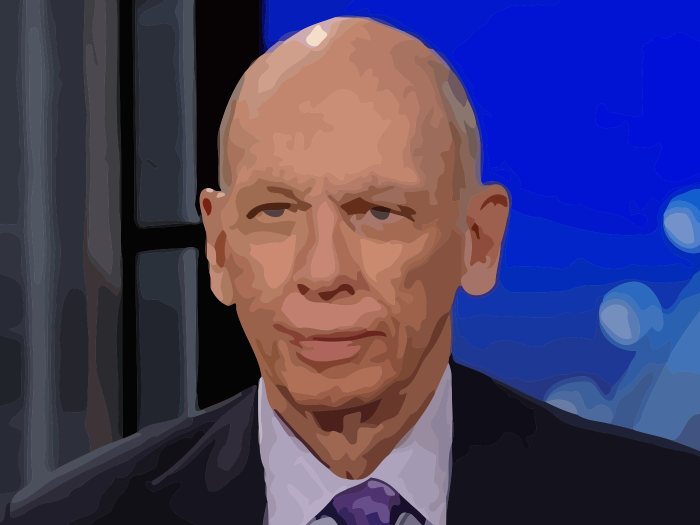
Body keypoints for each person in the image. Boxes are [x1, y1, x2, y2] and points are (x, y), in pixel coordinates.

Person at [5, 16, 700, 525]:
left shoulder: (663, 503)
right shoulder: (70, 517)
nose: (323, 271)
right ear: (218, 247)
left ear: (479, 241)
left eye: (379, 212)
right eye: (275, 212)